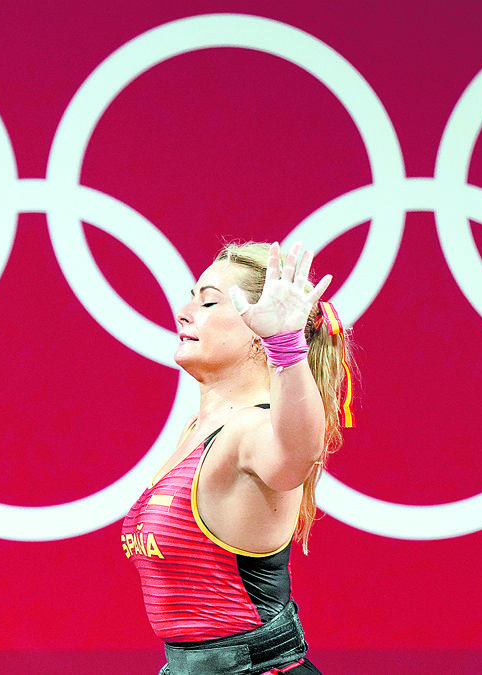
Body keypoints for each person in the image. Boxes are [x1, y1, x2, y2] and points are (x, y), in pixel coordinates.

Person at [122, 240, 354, 674]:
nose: (184, 311)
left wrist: (284, 345)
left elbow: (295, 454)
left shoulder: (249, 432)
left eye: (208, 301)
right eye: (191, 297)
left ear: (256, 326)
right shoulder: (197, 431)